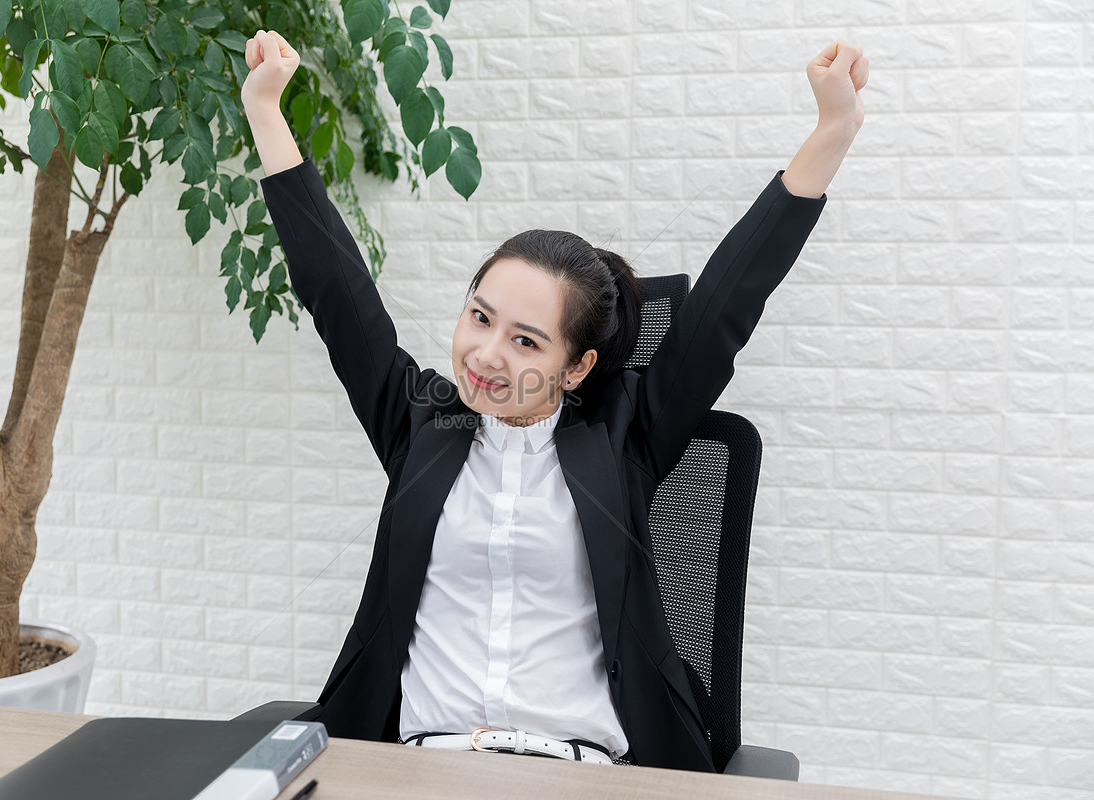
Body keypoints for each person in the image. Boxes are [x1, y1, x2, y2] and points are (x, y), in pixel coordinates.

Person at [241, 29, 867, 771]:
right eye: (480, 317)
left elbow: (727, 304)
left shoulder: (628, 437)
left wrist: (833, 132)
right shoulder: (420, 422)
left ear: (579, 367)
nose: (486, 354)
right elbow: (335, 291)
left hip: (578, 773)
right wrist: (266, 112)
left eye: (527, 341)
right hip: (416, 768)